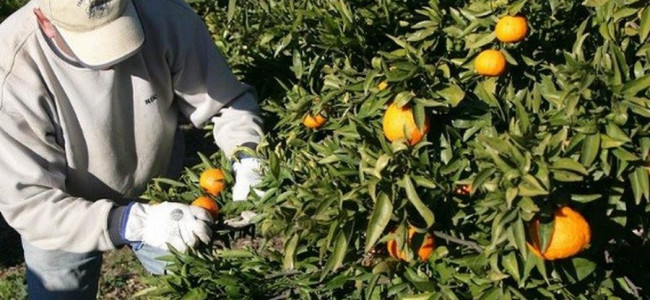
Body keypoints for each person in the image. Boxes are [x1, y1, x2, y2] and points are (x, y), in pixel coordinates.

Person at [0, 0, 264, 298]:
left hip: (161, 199)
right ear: (45, 21)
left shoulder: (164, 16)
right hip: (61, 216)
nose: (113, 58)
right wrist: (132, 223)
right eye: (93, 41)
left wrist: (248, 155)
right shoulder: (11, 69)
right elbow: (29, 203)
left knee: (194, 287)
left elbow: (226, 102)